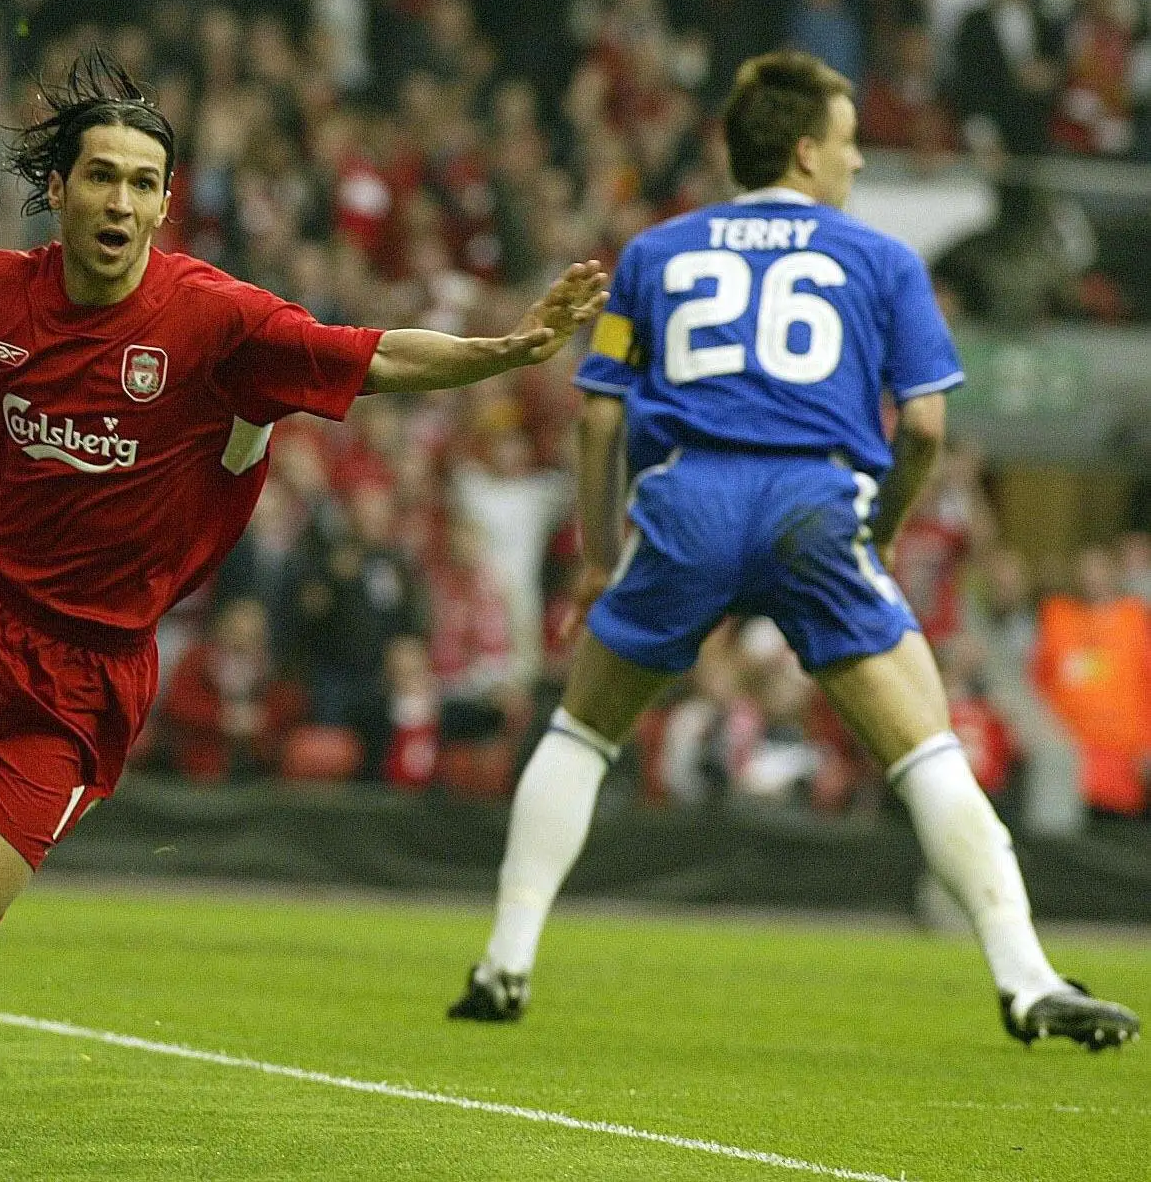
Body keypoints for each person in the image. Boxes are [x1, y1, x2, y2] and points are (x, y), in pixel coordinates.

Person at [0, 52, 608, 1118]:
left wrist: (501, 348)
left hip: (87, 669)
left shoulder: (215, 319)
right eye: (100, 175)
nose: (120, 198)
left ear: (164, 201)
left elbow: (377, 353)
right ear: (58, 190)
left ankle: (14, 785)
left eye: (141, 181)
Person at [449, 51, 1138, 1051]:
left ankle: (504, 962)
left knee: (581, 731)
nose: (857, 157)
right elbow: (927, 428)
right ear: (805, 148)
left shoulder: (654, 252)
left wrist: (600, 556)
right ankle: (1023, 975)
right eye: (848, 137)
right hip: (812, 500)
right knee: (923, 742)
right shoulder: (881, 259)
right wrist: (886, 527)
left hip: (685, 498)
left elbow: (596, 422)